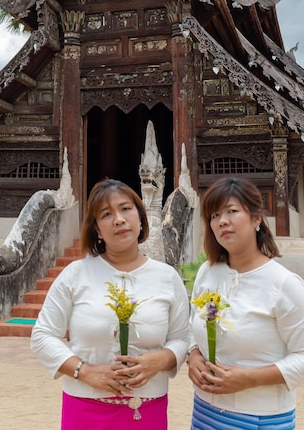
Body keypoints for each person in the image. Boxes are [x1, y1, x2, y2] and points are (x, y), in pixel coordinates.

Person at [31, 178, 189, 429]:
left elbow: (182, 338)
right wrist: (85, 371)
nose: (119, 219)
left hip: (147, 410)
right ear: (96, 228)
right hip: (85, 408)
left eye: (126, 208)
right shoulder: (75, 274)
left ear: (140, 216)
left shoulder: (167, 277)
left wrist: (161, 359)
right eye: (106, 214)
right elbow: (42, 335)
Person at [187, 176, 304, 430]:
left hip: (262, 417)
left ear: (256, 218)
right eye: (214, 215)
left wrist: (249, 379)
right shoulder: (208, 272)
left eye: (231, 211)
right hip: (205, 411)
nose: (222, 221)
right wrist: (193, 355)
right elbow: (192, 326)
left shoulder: (284, 283)